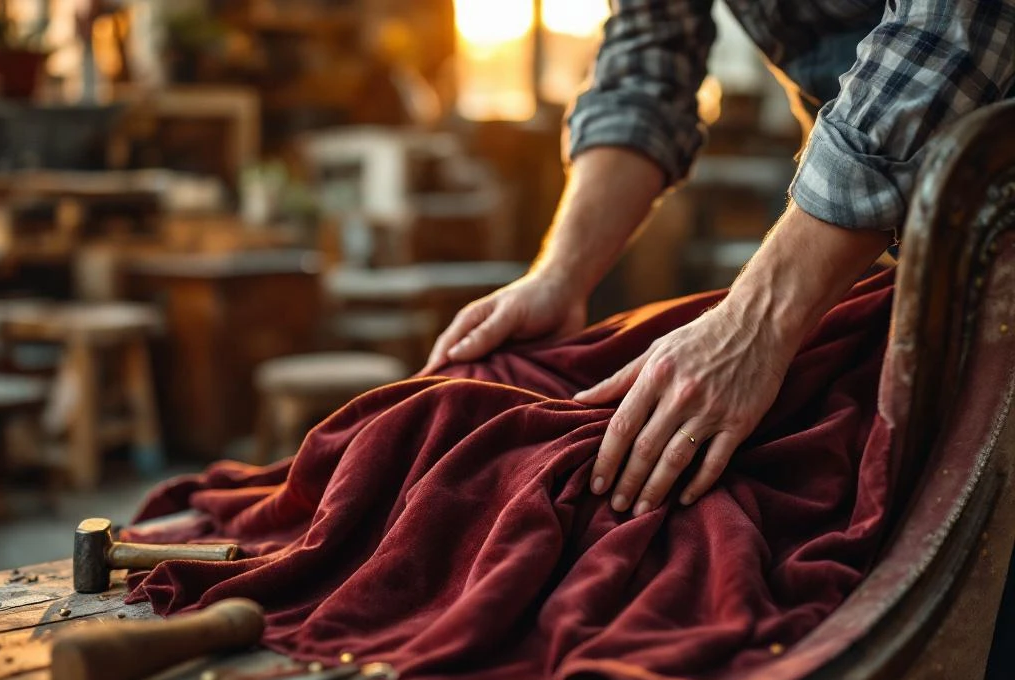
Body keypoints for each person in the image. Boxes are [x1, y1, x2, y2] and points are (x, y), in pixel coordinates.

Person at [419, 0, 1015, 519]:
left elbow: (954, 29)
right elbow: (644, 72)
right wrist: (559, 276)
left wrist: (752, 327)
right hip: (917, 256)